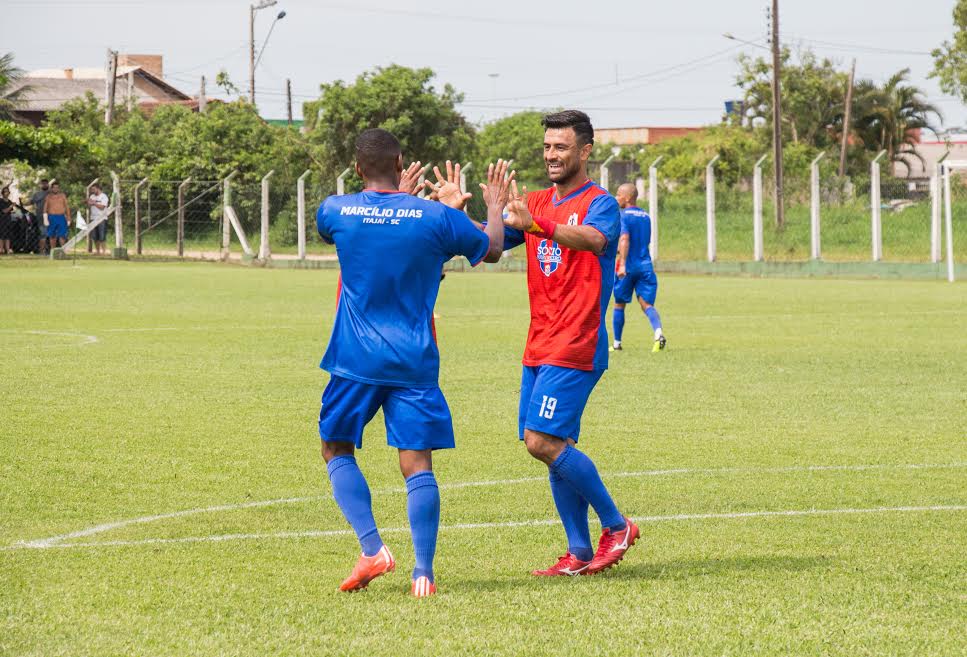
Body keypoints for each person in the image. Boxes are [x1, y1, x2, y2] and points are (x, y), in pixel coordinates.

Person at [315, 128, 513, 598]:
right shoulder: (436, 218)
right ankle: (423, 572)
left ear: (358, 167)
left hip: (354, 359)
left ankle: (372, 549)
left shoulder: (334, 210)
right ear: (401, 160)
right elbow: (493, 249)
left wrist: (393, 206)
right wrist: (490, 207)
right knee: (416, 463)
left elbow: (360, 230)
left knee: (335, 448)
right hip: (414, 361)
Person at [500, 110, 640, 577]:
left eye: (560, 147)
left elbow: (591, 239)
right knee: (554, 445)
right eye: (546, 147)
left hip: (576, 342)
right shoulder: (537, 199)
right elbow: (493, 244)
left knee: (541, 441)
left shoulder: (601, 203)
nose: (551, 155)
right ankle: (579, 553)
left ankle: (617, 526)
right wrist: (467, 208)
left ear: (585, 151)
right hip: (538, 343)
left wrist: (536, 224)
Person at [611, 182, 666, 352]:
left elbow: (625, 239)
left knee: (619, 303)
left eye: (619, 194)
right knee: (646, 304)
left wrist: (622, 263)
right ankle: (658, 333)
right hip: (645, 265)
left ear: (627, 198)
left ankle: (617, 344)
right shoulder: (645, 216)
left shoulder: (622, 215)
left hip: (628, 266)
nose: (616, 197)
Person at [43, 181, 71, 249]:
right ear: (51, 189)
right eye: (54, 188)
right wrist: (45, 218)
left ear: (59, 189)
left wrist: (69, 218)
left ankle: (63, 250)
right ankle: (53, 251)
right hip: (51, 217)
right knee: (52, 235)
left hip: (61, 217)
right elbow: (45, 208)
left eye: (57, 188)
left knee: (62, 235)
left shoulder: (62, 196)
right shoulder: (48, 197)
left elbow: (66, 207)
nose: (56, 189)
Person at [87, 182, 110, 255]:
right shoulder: (92, 196)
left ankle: (104, 251)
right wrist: (88, 203)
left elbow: (102, 207)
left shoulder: (104, 196)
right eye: (92, 189)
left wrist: (94, 203)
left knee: (102, 236)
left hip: (102, 218)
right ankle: (98, 251)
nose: (92, 191)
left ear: (98, 188)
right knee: (94, 236)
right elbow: (89, 206)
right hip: (93, 218)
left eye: (94, 189)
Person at [29, 179, 49, 254]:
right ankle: (42, 251)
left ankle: (51, 250)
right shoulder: (36, 194)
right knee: (43, 233)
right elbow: (30, 202)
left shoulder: (51, 193)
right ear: (40, 185)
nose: (44, 185)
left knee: (51, 234)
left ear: (48, 184)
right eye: (42, 184)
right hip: (41, 217)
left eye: (45, 183)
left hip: (51, 216)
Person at [0, 187, 13, 254]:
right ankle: (1, 249)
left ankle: (8, 250)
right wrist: (11, 206)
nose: (6, 193)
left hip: (8, 220)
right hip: (2, 220)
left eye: (7, 191)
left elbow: (11, 211)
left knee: (8, 236)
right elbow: (4, 211)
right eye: (5, 191)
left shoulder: (10, 201)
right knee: (2, 235)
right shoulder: (1, 201)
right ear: (2, 193)